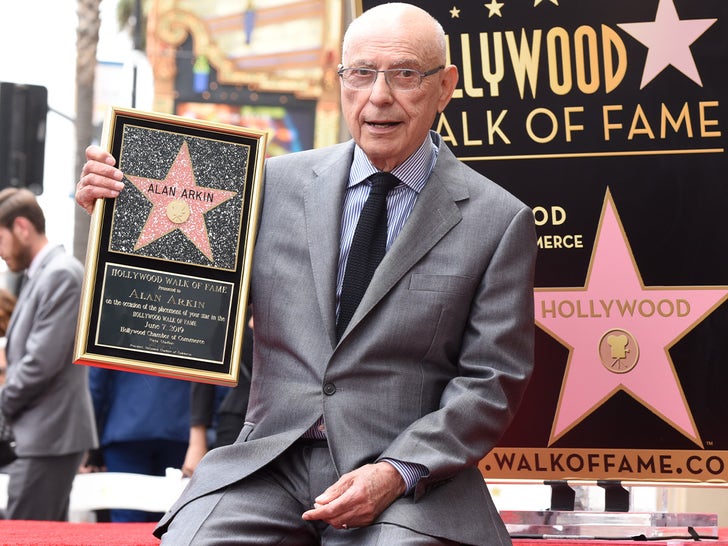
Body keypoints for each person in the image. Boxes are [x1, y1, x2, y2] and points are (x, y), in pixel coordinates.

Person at [75, 3, 537, 544]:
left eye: (405, 74)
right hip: (267, 465)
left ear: (445, 86)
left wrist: (395, 473)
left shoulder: (497, 220)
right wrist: (118, 216)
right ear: (340, 79)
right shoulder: (265, 185)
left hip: (409, 483)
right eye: (361, 74)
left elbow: (491, 383)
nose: (378, 96)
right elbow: (191, 293)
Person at [0, 188, 97, 521]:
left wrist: (2, 401)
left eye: (0, 239)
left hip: (46, 436)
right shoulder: (47, 274)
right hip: (42, 436)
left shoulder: (61, 274)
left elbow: (40, 363)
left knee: (23, 537)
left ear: (22, 228)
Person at [84, 369, 192, 522]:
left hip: (125, 426)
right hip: (180, 426)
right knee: (169, 519)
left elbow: (96, 382)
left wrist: (89, 441)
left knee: (127, 519)